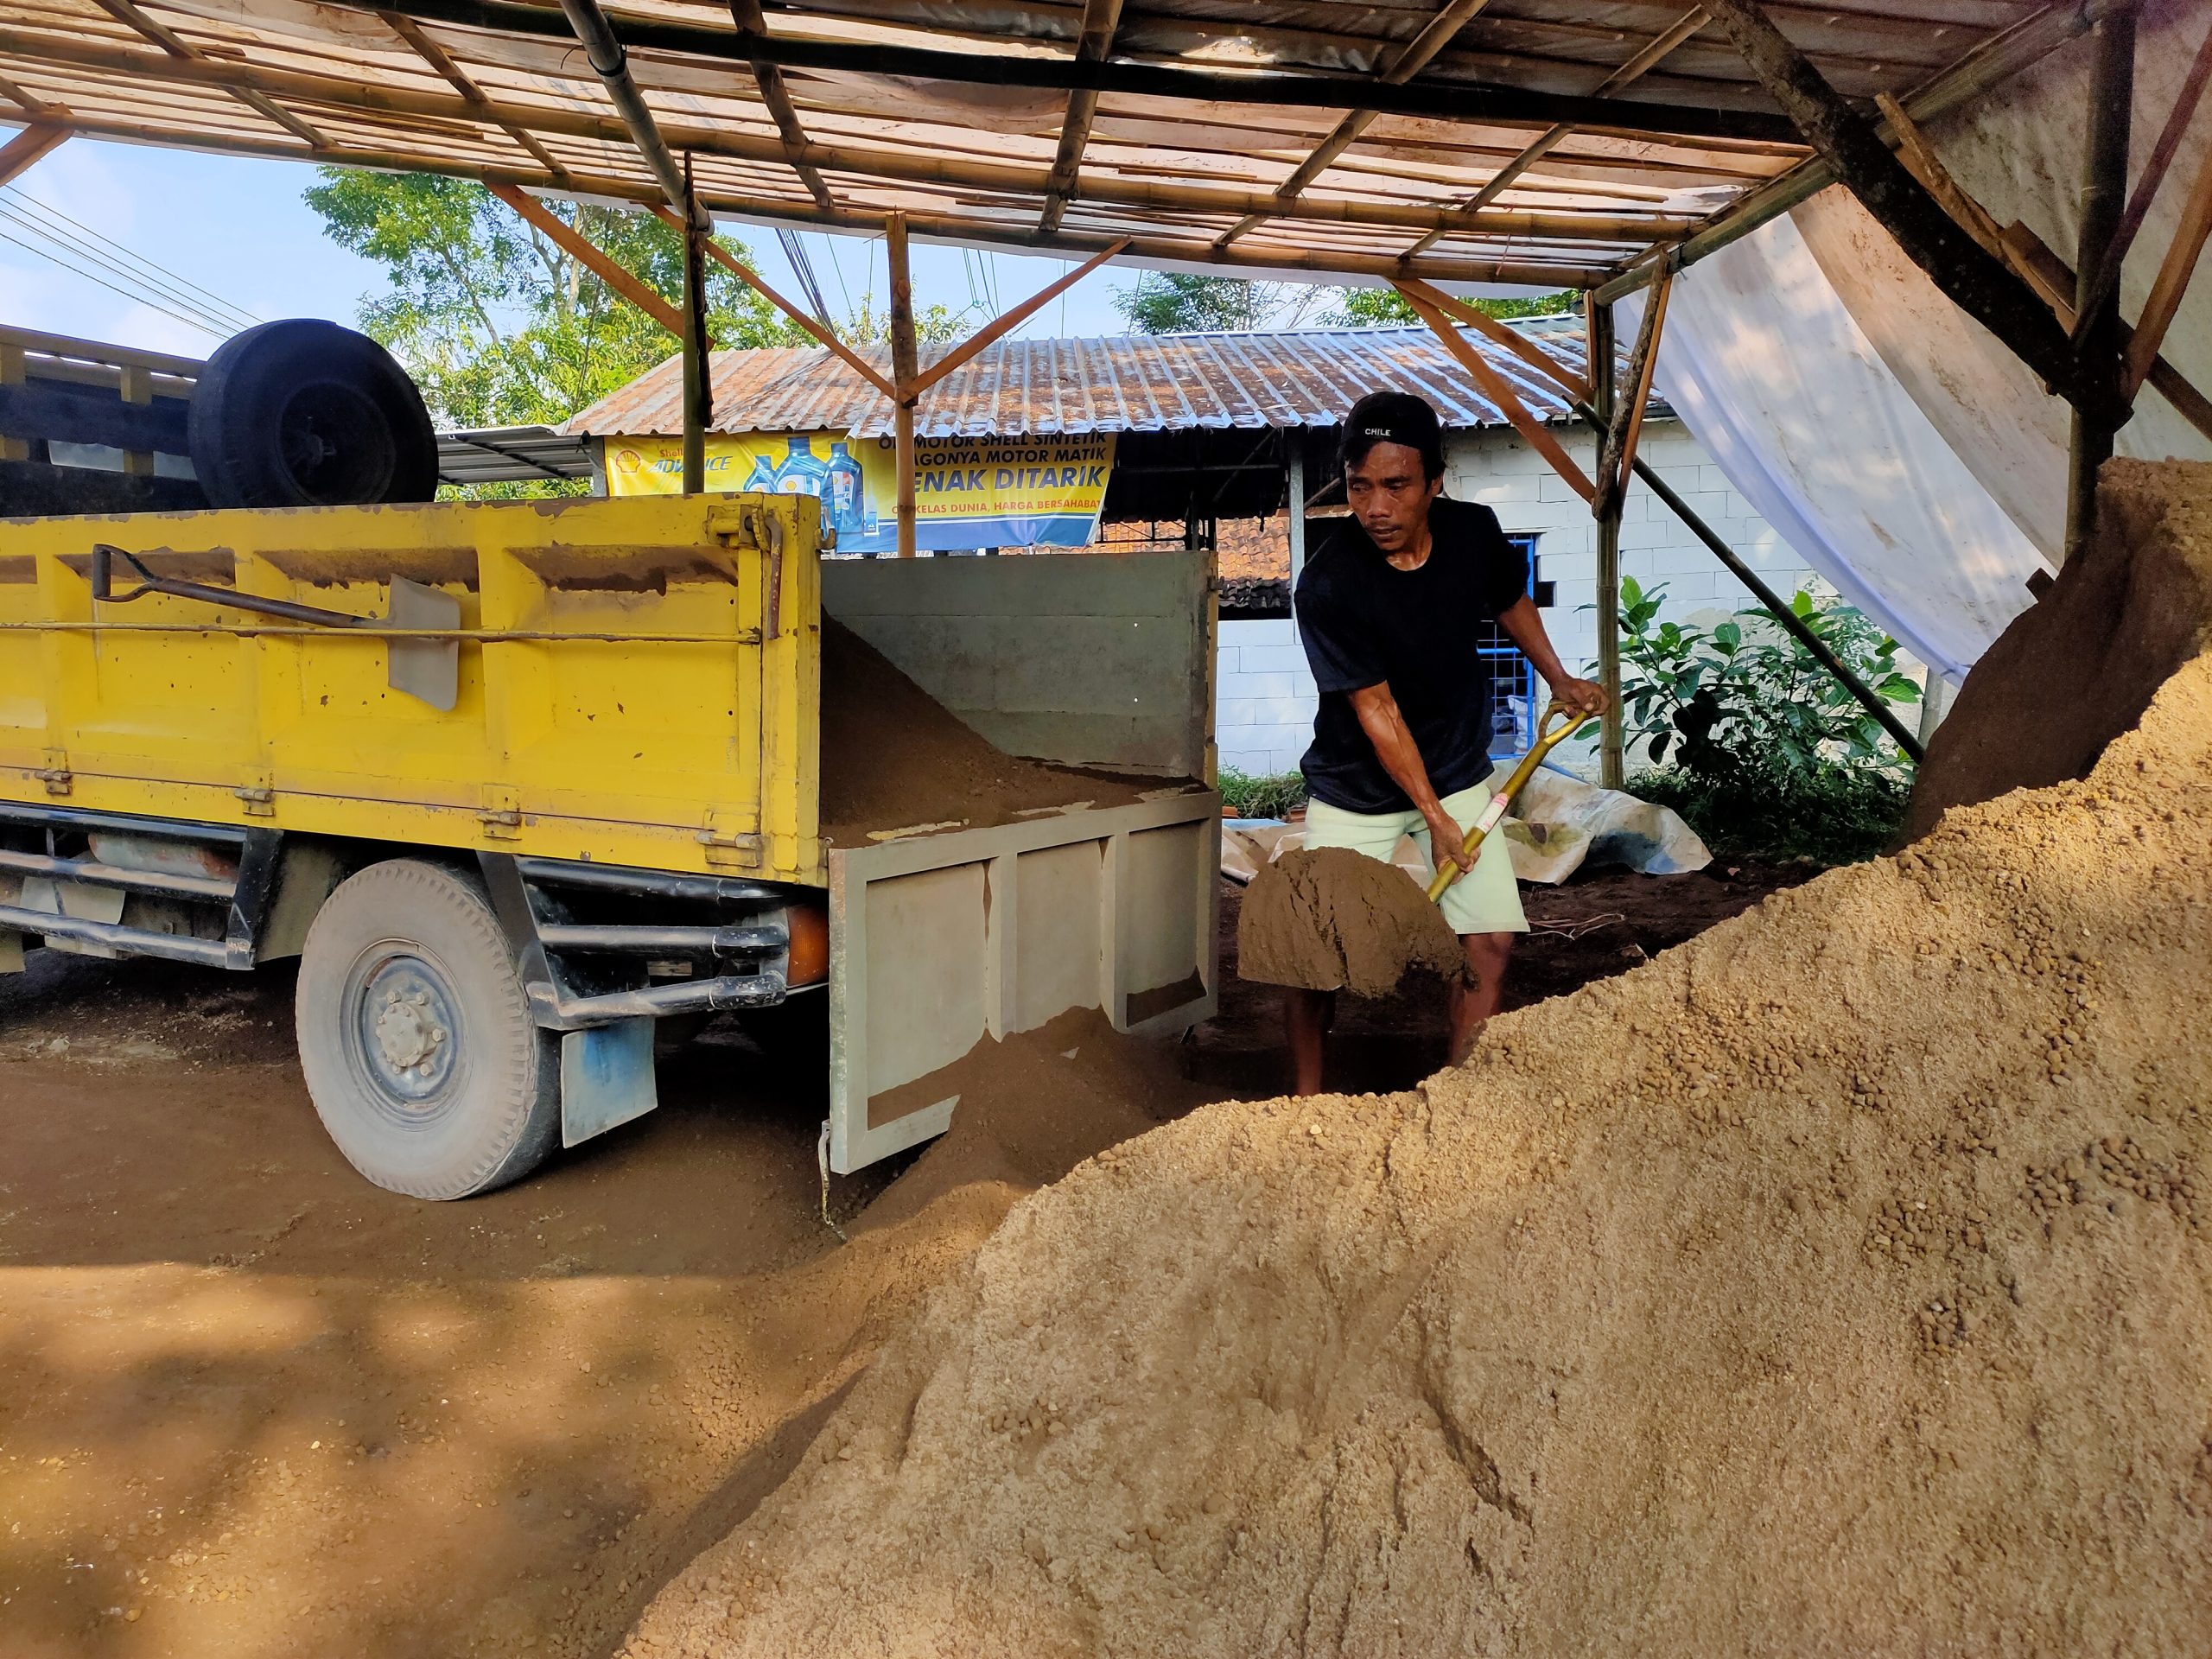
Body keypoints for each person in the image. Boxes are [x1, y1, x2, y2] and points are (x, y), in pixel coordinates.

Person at [1285, 390, 1605, 1096]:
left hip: (1457, 768)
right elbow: (1377, 710)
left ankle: (1457, 1098)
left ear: (1435, 481)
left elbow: (1508, 598)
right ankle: (1303, 1105)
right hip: (1356, 787)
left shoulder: (1473, 532)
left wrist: (1559, 678)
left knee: (1489, 941)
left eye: (1396, 486)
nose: (1376, 507)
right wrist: (1434, 819)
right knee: (1315, 956)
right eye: (1360, 487)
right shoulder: (1329, 583)